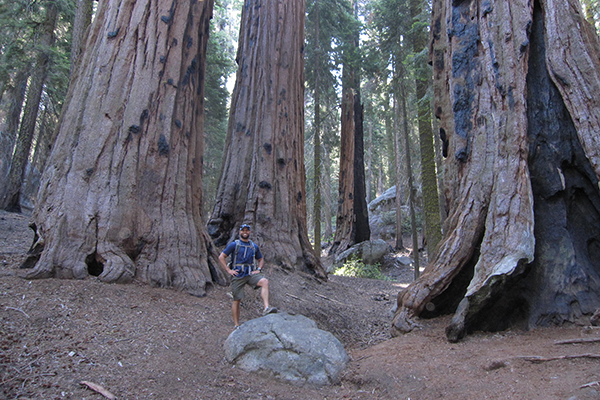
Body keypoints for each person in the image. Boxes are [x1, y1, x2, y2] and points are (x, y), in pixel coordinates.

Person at [219, 224, 277, 328]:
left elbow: (261, 259)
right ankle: (236, 325)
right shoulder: (234, 245)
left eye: (247, 230)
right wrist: (228, 270)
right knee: (237, 299)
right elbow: (221, 257)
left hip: (250, 274)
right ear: (240, 232)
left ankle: (266, 308)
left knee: (264, 282)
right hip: (237, 275)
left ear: (249, 232)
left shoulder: (253, 246)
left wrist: (258, 269)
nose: (245, 232)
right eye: (243, 230)